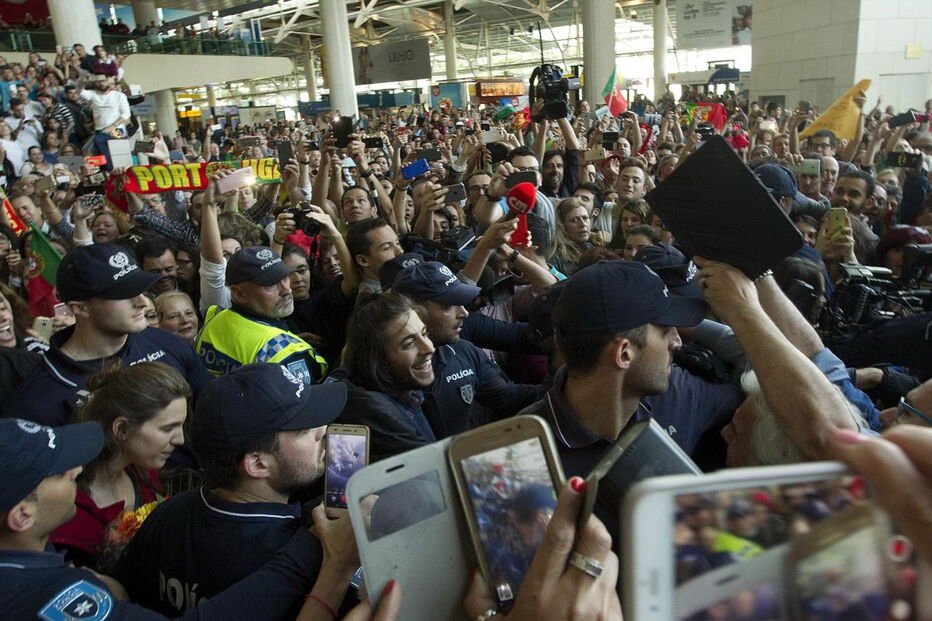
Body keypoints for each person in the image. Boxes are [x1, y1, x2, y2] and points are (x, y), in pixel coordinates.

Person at [0, 418, 387, 620]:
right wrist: (327, 561)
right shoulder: (41, 598)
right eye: (56, 472)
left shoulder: (170, 512)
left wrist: (112, 586)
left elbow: (128, 585)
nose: (75, 469)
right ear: (22, 515)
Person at [113, 363, 357, 619]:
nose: (324, 430)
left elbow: (124, 589)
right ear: (258, 463)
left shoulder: (168, 514)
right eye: (305, 430)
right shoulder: (317, 550)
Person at [1, 243, 211, 427]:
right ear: (80, 309)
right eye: (122, 294)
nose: (142, 302)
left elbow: (211, 406)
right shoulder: (39, 400)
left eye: (139, 289)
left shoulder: (166, 343)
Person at [49, 361, 190, 568]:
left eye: (181, 426)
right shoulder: (64, 513)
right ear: (122, 429)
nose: (180, 440)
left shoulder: (145, 473)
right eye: (168, 428)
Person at [390, 261, 541, 437]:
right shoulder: (381, 374)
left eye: (461, 303)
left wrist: (565, 386)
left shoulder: (463, 352)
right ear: (413, 311)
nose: (464, 313)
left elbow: (509, 397)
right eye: (449, 305)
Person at [194, 246, 329, 384]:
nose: (286, 290)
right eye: (271, 284)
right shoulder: (286, 353)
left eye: (285, 277)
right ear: (239, 294)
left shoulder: (214, 317)